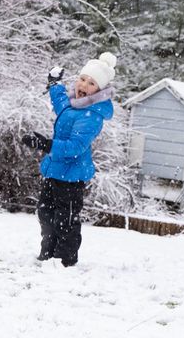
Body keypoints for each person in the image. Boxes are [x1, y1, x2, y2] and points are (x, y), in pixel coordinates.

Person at [21, 52, 117, 267]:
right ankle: (48, 253)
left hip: (72, 176)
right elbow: (60, 100)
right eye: (83, 79)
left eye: (91, 83)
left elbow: (75, 147)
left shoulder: (92, 115)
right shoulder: (73, 103)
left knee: (66, 219)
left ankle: (64, 259)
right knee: (45, 213)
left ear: (99, 89)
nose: (84, 85)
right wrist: (54, 84)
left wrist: (45, 144)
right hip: (54, 170)